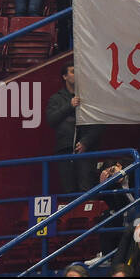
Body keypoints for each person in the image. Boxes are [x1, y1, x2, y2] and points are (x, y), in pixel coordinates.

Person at [46, 62, 104, 193]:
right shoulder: (56, 99)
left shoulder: (89, 97)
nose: (76, 75)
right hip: (65, 150)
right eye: (73, 72)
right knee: (69, 189)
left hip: (86, 149)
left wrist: (85, 142)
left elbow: (99, 123)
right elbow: (51, 120)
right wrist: (69, 106)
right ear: (64, 76)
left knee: (86, 188)